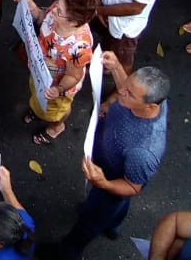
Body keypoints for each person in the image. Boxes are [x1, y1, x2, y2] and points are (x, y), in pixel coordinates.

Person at [57, 58, 168, 260]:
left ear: (151, 106)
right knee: (116, 207)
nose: (120, 92)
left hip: (111, 179)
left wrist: (103, 183)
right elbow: (128, 87)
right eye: (125, 86)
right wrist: (117, 67)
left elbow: (133, 187)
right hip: (108, 159)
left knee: (91, 219)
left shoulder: (143, 151)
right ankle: (112, 225)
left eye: (129, 93)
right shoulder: (147, 98)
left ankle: (68, 252)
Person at [16, 0, 96, 145]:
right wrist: (32, 7)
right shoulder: (57, 8)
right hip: (41, 73)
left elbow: (74, 76)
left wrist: (58, 90)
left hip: (56, 84)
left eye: (59, 11)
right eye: (59, 0)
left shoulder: (79, 48)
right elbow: (43, 18)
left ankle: (56, 126)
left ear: (74, 22)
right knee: (39, 99)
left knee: (56, 112)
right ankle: (38, 109)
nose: (53, 9)